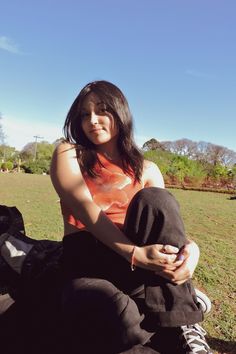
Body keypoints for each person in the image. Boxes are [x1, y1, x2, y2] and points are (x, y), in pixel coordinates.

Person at [48, 80, 213, 354]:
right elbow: (85, 210)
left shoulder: (147, 168)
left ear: (120, 112)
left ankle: (184, 321)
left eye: (102, 110)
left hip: (136, 262)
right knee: (108, 314)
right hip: (87, 258)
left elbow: (164, 221)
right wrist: (134, 253)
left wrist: (192, 251)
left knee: (157, 199)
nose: (93, 120)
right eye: (84, 114)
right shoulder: (69, 152)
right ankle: (177, 312)